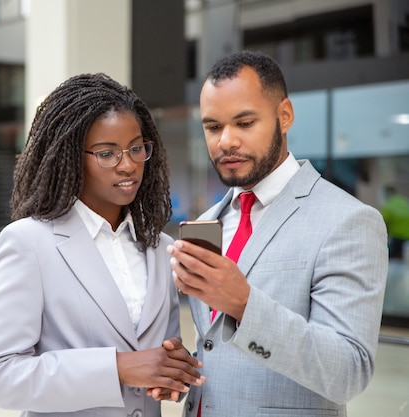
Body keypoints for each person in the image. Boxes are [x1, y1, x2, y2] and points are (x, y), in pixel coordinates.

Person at [166, 51, 388, 416]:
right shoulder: (209, 221)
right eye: (213, 126)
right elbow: (221, 352)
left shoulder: (348, 220)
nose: (225, 141)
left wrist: (243, 303)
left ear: (284, 116)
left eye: (244, 123)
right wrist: (182, 367)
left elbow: (349, 372)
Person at [0, 73, 204, 417]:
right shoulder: (28, 243)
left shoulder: (159, 248)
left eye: (136, 148)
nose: (128, 165)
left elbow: (153, 360)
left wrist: (171, 370)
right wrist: (118, 368)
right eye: (107, 153)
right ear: (70, 157)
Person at [381, 185, 409, 259]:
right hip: (407, 236)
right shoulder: (404, 201)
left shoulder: (389, 205)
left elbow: (383, 222)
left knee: (388, 257)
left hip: (396, 236)